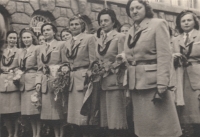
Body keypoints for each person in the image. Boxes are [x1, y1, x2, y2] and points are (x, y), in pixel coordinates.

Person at [123, 0, 182, 137]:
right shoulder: (132, 29)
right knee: (144, 126)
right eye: (131, 9)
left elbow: (164, 55)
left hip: (154, 83)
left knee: (162, 126)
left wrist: (162, 83)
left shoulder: (158, 24)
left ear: (146, 8)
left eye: (138, 7)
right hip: (136, 84)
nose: (135, 11)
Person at [95, 9, 128, 137]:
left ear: (113, 22)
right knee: (106, 119)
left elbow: (123, 60)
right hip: (102, 82)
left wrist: (109, 67)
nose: (103, 23)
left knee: (117, 119)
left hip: (115, 82)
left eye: (106, 20)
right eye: (101, 21)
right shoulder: (100, 39)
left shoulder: (120, 37)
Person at [65, 15, 96, 137]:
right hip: (72, 78)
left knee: (83, 113)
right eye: (72, 24)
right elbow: (67, 61)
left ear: (82, 26)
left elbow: (93, 60)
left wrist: (90, 76)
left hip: (84, 77)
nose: (74, 27)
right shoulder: (67, 42)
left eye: (76, 24)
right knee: (73, 114)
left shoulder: (89, 38)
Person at [35, 22, 67, 137]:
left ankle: (61, 135)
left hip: (57, 82)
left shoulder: (61, 45)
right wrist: (38, 82)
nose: (46, 32)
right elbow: (39, 68)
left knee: (59, 112)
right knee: (50, 114)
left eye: (48, 30)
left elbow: (65, 64)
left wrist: (59, 74)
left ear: (54, 32)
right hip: (45, 83)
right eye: (44, 31)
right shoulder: (40, 48)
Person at [172, 10, 200, 137]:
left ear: (195, 22)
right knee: (184, 112)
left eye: (189, 20)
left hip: (196, 76)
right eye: (183, 21)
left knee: (196, 109)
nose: (186, 23)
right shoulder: (175, 39)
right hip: (180, 76)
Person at [19, 28, 41, 137]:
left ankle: (38, 134)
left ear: (32, 38)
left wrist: (38, 81)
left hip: (33, 81)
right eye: (24, 37)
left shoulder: (37, 48)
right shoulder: (21, 51)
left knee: (36, 111)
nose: (26, 39)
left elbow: (40, 67)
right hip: (24, 83)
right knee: (30, 113)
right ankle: (34, 134)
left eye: (28, 37)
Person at [0, 31, 20, 137]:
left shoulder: (20, 51)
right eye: (10, 38)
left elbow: (22, 65)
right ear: (7, 39)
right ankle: (10, 133)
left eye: (14, 38)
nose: (12, 40)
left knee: (15, 111)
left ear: (17, 39)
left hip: (14, 82)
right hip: (2, 83)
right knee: (4, 111)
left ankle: (16, 133)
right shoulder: (2, 51)